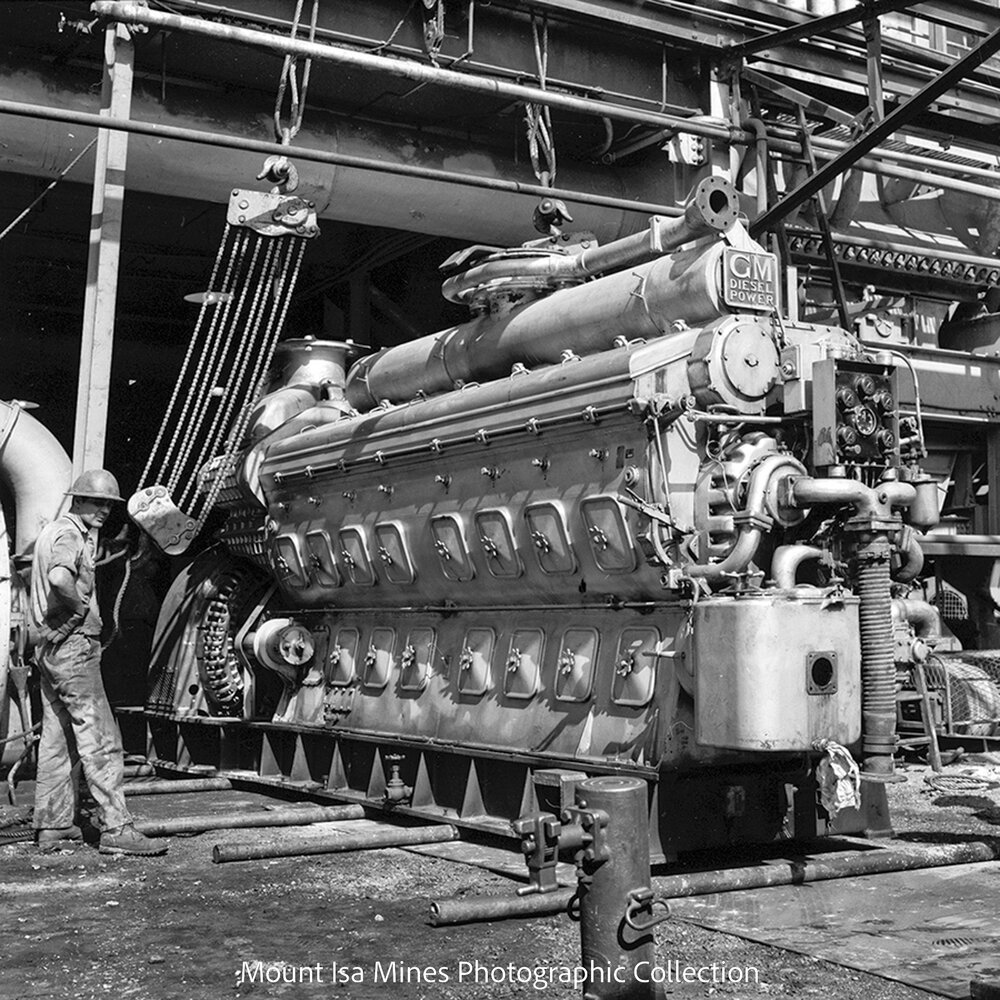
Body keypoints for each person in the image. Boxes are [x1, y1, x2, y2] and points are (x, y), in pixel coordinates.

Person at [30, 469, 167, 856]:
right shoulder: (71, 535)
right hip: (73, 648)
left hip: (49, 650)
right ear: (78, 500)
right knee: (102, 738)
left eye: (109, 504)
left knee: (58, 739)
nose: (105, 510)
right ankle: (116, 827)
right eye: (97, 502)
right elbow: (60, 578)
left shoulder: (50, 532)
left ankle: (54, 825)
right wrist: (78, 609)